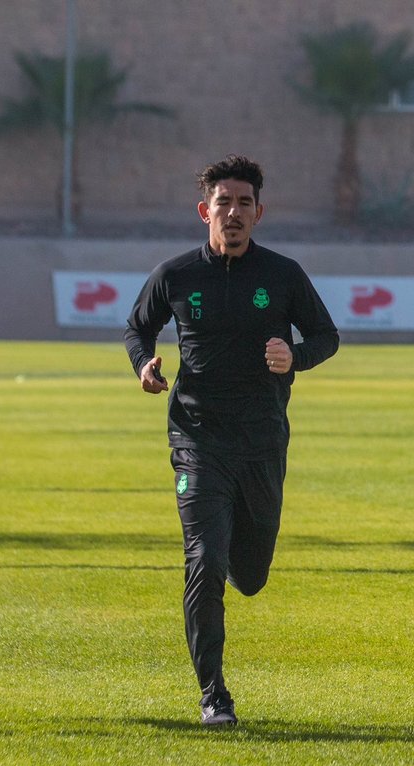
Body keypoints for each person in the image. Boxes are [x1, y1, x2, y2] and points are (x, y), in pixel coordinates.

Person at [124, 155, 339, 727]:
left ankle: (244, 569)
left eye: (245, 203)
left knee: (250, 572)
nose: (234, 212)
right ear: (205, 211)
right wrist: (145, 364)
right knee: (204, 560)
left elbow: (327, 335)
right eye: (224, 202)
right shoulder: (174, 276)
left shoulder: (284, 275)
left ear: (259, 212)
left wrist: (296, 356)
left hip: (262, 441)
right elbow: (136, 326)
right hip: (197, 438)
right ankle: (213, 694)